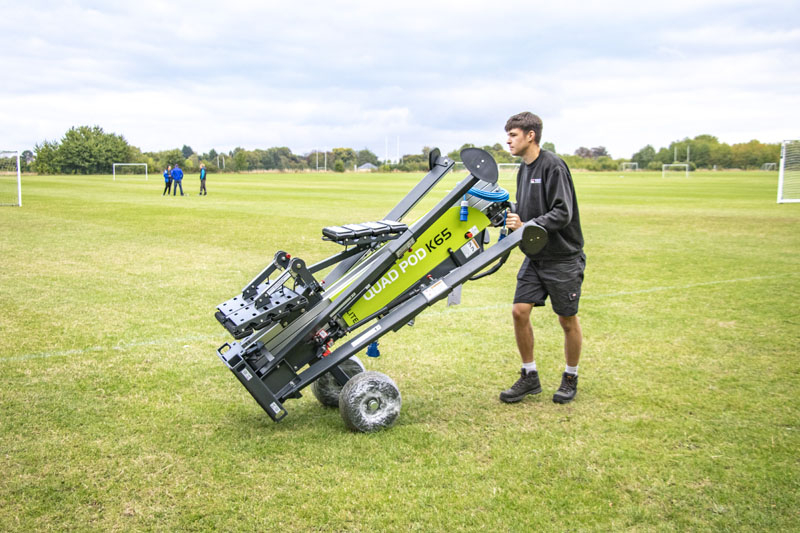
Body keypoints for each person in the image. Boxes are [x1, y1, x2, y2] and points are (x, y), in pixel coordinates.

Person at [499, 111, 586, 405]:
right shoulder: (523, 168)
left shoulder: (553, 166)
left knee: (567, 319)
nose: (508, 140)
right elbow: (525, 209)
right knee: (519, 311)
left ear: (530, 135)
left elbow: (563, 213)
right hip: (535, 256)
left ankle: (570, 376)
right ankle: (529, 375)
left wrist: (528, 226)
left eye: (513, 135)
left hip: (563, 257)